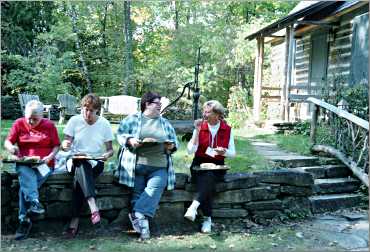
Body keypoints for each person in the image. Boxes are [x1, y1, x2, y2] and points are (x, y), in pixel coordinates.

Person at [116, 91, 178, 239]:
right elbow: (120, 134)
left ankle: (136, 214)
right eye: (157, 104)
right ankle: (144, 230)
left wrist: (171, 147)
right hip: (136, 164)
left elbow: (174, 142)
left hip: (159, 165)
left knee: (156, 187)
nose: (160, 107)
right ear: (147, 104)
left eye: (160, 104)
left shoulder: (165, 123)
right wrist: (130, 140)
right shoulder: (132, 119)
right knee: (137, 194)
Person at [4, 100, 60, 240]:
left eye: (35, 119)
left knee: (25, 186)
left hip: (44, 164)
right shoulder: (18, 123)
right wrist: (11, 147)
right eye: (28, 117)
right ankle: (34, 203)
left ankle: (24, 220)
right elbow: (7, 142)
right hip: (24, 162)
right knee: (25, 173)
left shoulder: (49, 125)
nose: (31, 121)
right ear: (25, 114)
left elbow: (56, 146)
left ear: (42, 116)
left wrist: (49, 156)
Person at [62, 93, 114, 238]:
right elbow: (66, 143)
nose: (87, 113)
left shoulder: (104, 123)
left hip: (95, 162)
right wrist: (65, 145)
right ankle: (92, 205)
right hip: (74, 160)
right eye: (85, 109)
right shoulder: (74, 121)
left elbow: (110, 150)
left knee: (82, 170)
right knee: (80, 161)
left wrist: (106, 155)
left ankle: (74, 221)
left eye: (91, 110)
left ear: (97, 110)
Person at [184, 100, 236, 233]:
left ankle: (195, 207)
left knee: (208, 178)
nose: (205, 114)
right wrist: (196, 131)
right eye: (204, 112)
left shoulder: (227, 129)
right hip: (199, 164)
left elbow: (233, 153)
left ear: (218, 114)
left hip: (218, 165)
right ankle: (207, 218)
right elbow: (190, 150)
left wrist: (224, 151)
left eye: (208, 112)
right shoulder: (200, 126)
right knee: (207, 179)